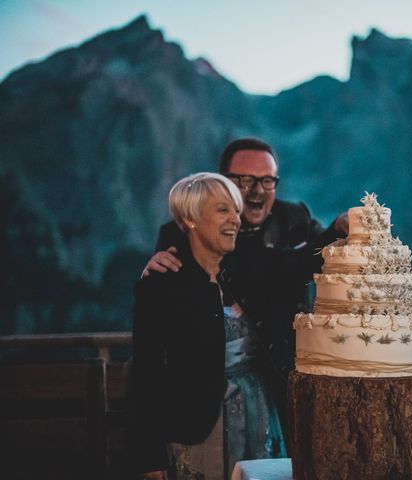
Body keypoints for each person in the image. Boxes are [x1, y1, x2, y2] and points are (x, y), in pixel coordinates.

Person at [143, 138, 348, 436]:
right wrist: (152, 271)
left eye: (267, 180)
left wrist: (340, 232)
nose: (256, 191)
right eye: (244, 180)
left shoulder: (294, 220)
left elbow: (313, 261)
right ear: (222, 182)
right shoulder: (182, 233)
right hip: (205, 400)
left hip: (284, 386)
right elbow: (156, 335)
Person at [129, 173, 286, 480]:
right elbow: (146, 373)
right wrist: (149, 456)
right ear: (190, 219)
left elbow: (296, 263)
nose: (236, 220)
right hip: (201, 427)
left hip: (262, 417)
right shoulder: (160, 285)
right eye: (223, 210)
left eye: (236, 211)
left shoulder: (244, 272)